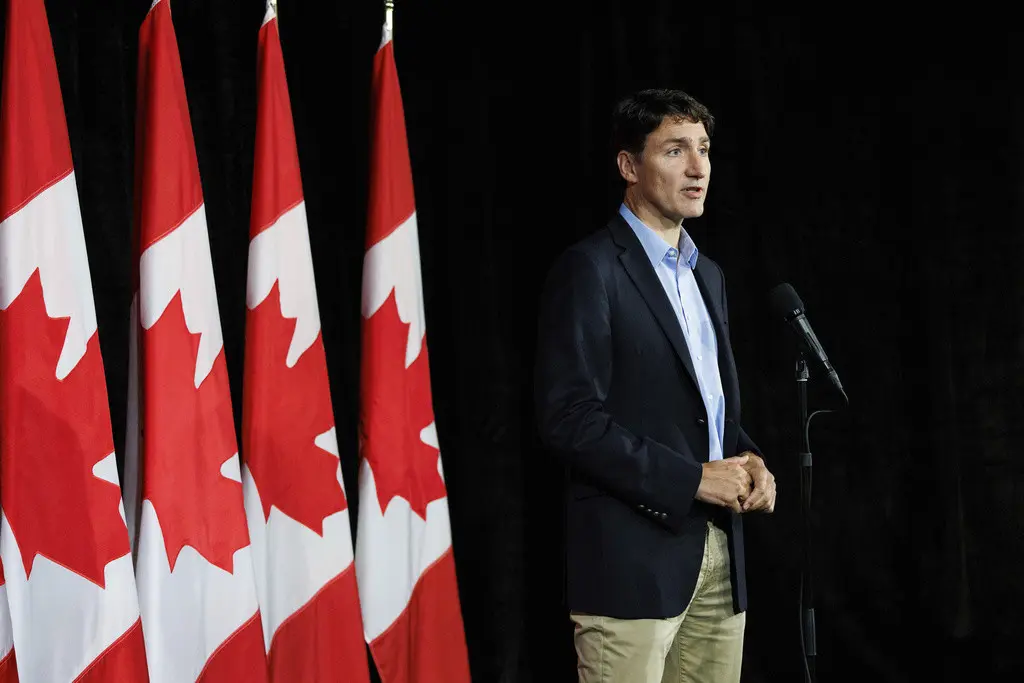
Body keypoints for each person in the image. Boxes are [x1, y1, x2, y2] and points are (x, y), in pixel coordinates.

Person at [534, 88, 776, 683]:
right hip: (631, 562)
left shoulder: (708, 275)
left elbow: (704, 412)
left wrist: (750, 460)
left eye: (704, 149)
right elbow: (569, 418)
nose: (698, 168)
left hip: (721, 557)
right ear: (628, 166)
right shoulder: (590, 269)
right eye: (675, 150)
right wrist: (692, 479)